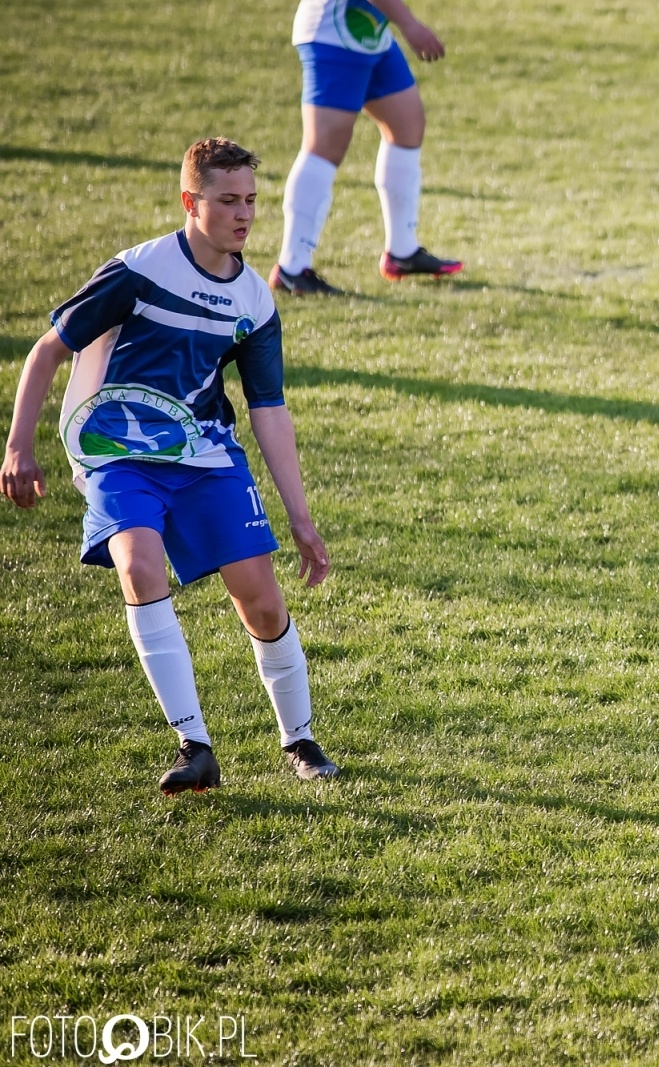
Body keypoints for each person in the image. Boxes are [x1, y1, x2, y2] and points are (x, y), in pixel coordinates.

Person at [2, 138, 340, 794]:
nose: (243, 214)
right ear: (191, 201)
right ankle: (195, 745)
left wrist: (301, 518)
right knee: (139, 565)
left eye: (251, 200)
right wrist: (18, 447)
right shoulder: (139, 272)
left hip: (204, 456)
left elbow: (269, 410)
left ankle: (299, 738)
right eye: (227, 200)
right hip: (119, 454)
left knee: (261, 601)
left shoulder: (253, 301)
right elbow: (47, 351)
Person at [271, 0, 462, 295]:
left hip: (372, 33)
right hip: (335, 32)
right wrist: (410, 25)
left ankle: (402, 252)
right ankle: (292, 267)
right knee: (325, 146)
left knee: (407, 126)